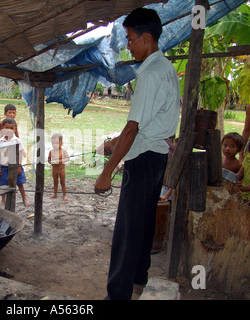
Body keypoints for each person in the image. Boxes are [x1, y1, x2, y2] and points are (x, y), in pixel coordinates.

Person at [94, 8, 180, 300]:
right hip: (156, 158)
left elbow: (133, 128)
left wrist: (106, 172)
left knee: (127, 230)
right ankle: (139, 276)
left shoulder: (150, 75)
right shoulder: (166, 69)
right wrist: (114, 141)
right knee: (143, 221)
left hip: (142, 159)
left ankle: (117, 294)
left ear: (146, 37)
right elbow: (149, 122)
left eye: (130, 39)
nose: (128, 45)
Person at [0, 118, 30, 207]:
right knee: (3, 184)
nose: (9, 130)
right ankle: (3, 200)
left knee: (20, 183)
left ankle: (24, 199)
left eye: (12, 128)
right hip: (4, 166)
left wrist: (19, 166)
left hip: (15, 166)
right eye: (7, 128)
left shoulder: (17, 141)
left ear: (15, 129)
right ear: (2, 128)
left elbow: (20, 154)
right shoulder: (0, 141)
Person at [48, 133, 70, 200]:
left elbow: (68, 158)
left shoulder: (63, 151)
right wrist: (51, 162)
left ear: (61, 143)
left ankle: (64, 195)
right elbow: (49, 160)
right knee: (55, 182)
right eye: (53, 143)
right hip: (54, 169)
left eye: (57, 143)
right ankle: (55, 193)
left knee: (62, 182)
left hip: (61, 170)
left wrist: (61, 161)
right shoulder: (51, 151)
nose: (55, 145)